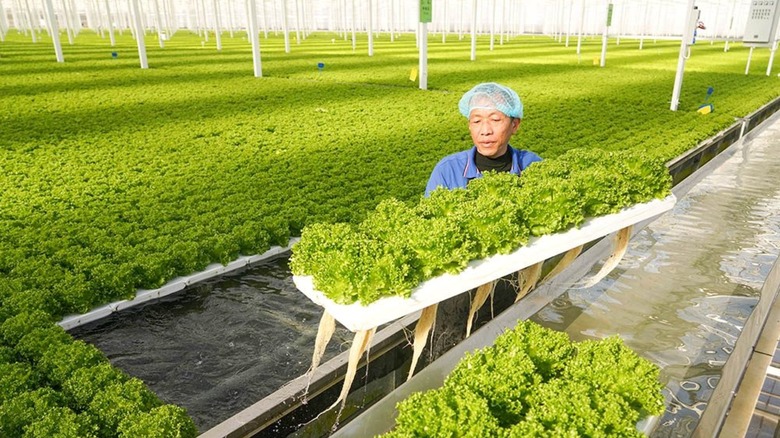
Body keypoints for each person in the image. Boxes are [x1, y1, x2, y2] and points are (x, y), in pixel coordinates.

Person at [425, 82, 542, 196]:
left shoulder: (532, 165)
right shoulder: (447, 170)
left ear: (514, 125)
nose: (485, 131)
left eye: (495, 120)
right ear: (469, 126)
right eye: (477, 121)